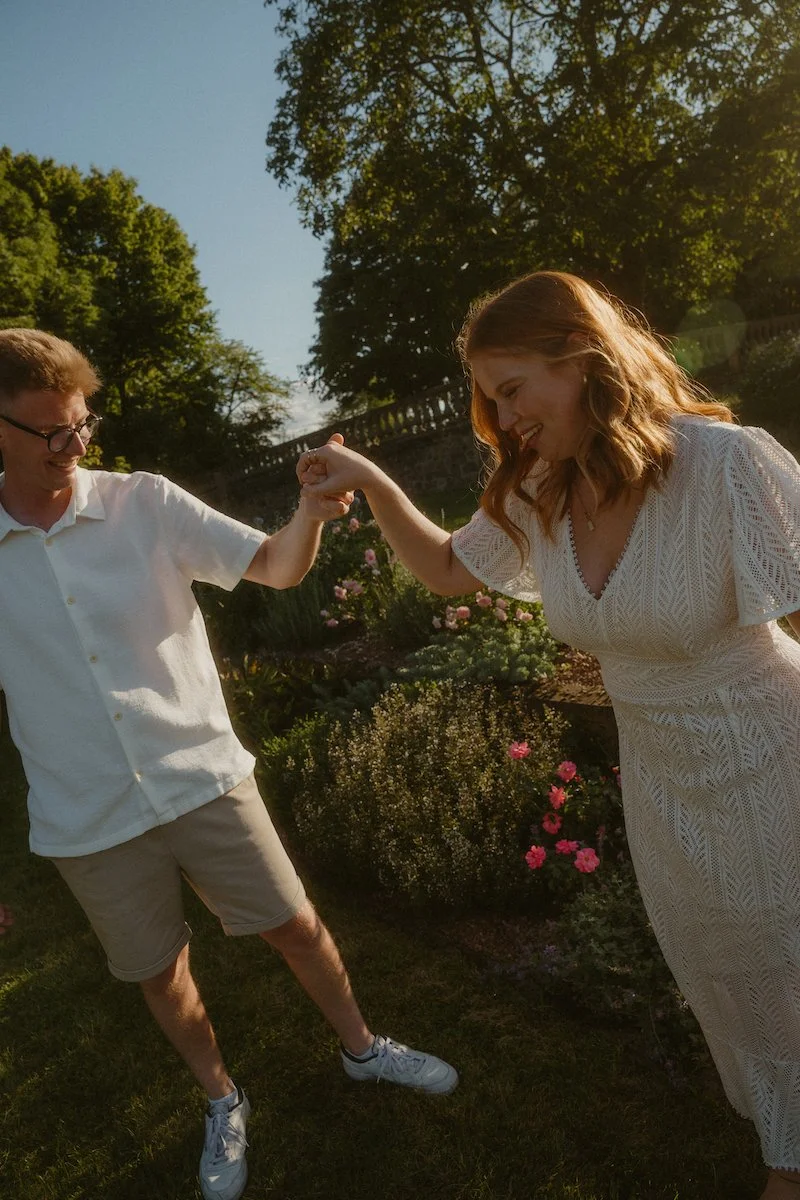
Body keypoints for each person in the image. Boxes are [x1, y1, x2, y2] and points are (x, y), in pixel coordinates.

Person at [298, 270, 800, 1200]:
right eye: (490, 401)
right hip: (664, 780)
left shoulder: (727, 464)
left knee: (788, 953)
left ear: (580, 357)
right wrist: (369, 479)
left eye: (512, 390)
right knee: (727, 970)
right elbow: (449, 570)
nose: (503, 419)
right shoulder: (540, 489)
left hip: (776, 752)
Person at [0, 329, 458, 1200]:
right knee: (159, 972)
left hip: (201, 773)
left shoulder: (145, 503)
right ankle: (221, 1097)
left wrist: (312, 518)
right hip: (86, 813)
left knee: (294, 924)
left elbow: (278, 569)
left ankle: (364, 1048)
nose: (73, 447)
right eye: (49, 433)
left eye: (81, 426)